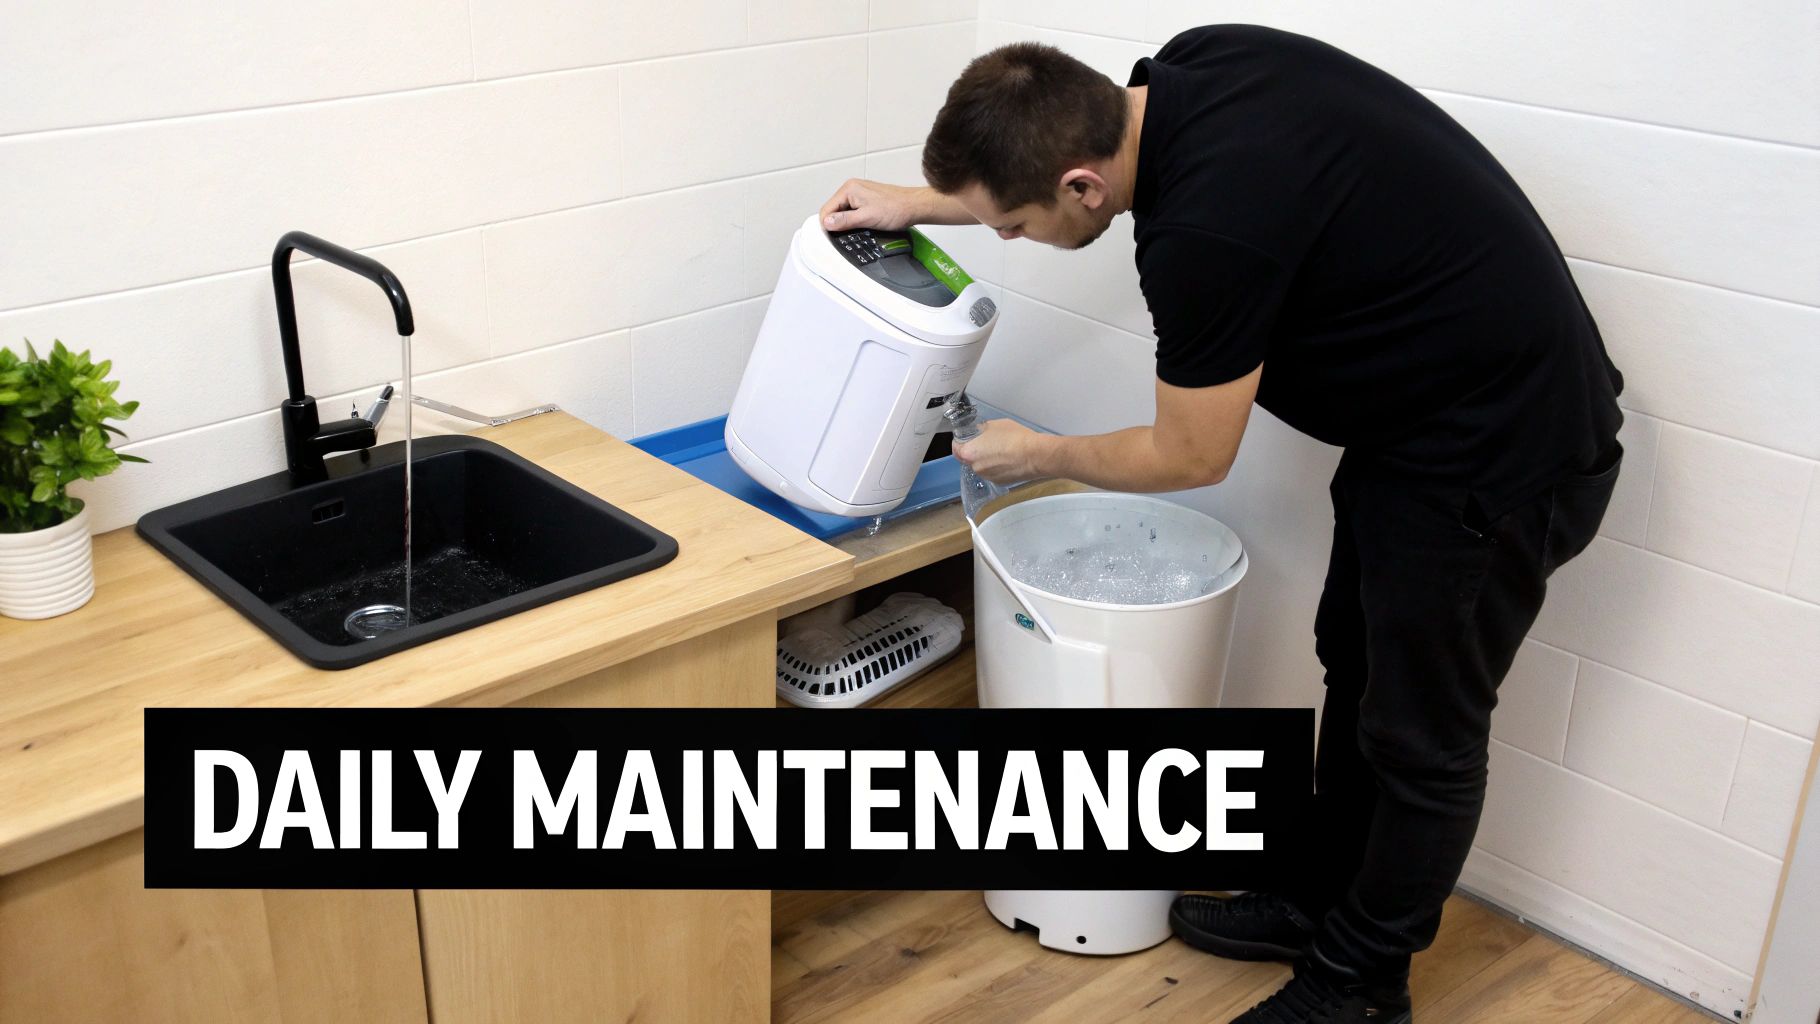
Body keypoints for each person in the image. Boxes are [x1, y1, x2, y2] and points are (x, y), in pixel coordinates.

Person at [820, 25, 1624, 1024]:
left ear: (1081, 187)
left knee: (1422, 734)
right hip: (1420, 423)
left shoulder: (1202, 236)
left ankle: (1358, 988)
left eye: (1012, 225)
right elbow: (1038, 159)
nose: (1011, 240)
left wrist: (1038, 454)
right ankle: (1315, 902)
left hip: (1503, 450)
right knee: (1354, 663)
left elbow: (1190, 455)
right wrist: (919, 202)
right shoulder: (1193, 67)